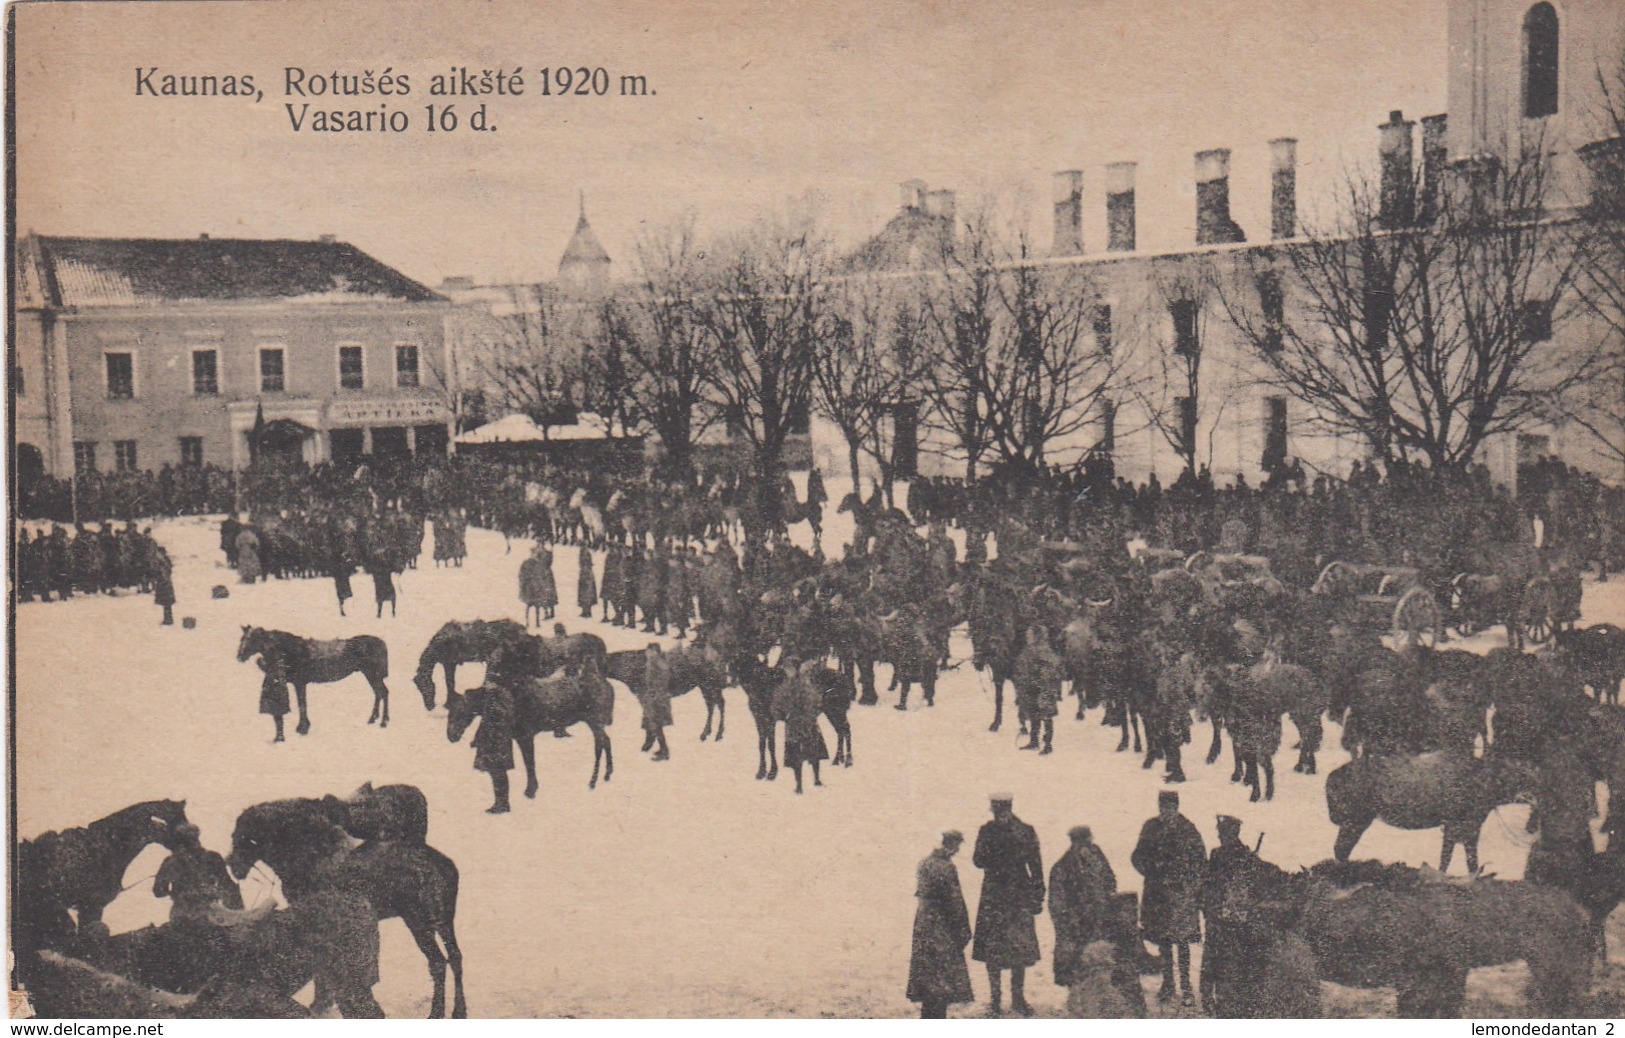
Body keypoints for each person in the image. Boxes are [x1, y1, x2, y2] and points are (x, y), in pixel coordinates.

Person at [1131, 790, 1206, 1006]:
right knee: (1163, 941)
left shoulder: (1188, 829)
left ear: (1177, 807)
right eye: (1163, 807)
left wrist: (1187, 879)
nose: (1166, 811)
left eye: (1170, 807)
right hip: (1158, 896)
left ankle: (1185, 985)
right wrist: (1151, 868)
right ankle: (1168, 984)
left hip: (1182, 896)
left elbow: (1200, 860)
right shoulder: (1150, 827)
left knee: (1182, 942)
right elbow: (1137, 856)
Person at [972, 793, 1043, 1016]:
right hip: (1004, 894)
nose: (996, 814)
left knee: (1014, 947)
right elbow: (978, 861)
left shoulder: (1020, 830)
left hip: (1008, 894)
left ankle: (1011, 998)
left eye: (997, 810)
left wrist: (1037, 894)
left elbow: (1036, 864)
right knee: (1001, 946)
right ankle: (1003, 998)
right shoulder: (996, 830)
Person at [907, 830, 974, 1019]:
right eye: (957, 845)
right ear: (952, 844)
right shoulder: (947, 867)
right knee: (942, 975)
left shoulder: (924, 863)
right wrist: (964, 930)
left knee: (927, 972)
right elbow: (955, 901)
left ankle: (928, 1016)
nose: (957, 850)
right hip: (942, 924)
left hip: (923, 922)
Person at [1199, 815, 1257, 1017]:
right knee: (1216, 963)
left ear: (1232, 834)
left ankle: (1223, 1007)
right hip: (1220, 918)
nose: (1219, 836)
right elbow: (1208, 884)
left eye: (1222, 833)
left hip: (1232, 921)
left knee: (1225, 965)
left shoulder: (1244, 857)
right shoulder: (1221, 854)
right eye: (1219, 833)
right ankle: (1211, 1000)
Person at [1048, 825, 1118, 989]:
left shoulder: (1097, 855)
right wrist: (1069, 922)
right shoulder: (1061, 867)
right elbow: (1056, 905)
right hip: (1075, 925)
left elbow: (1111, 880)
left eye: (1088, 842)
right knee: (1077, 968)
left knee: (1102, 962)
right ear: (1074, 843)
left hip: (1098, 919)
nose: (1087, 847)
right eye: (1083, 843)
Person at [153, 823, 242, 928]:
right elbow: (227, 886)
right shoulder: (212, 857)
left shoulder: (171, 861)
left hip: (181, 915)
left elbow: (158, 892)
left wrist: (174, 890)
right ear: (197, 837)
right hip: (209, 913)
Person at [640, 642, 674, 761]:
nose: (647, 653)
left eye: (649, 651)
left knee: (657, 725)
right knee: (653, 724)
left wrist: (656, 693)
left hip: (658, 698)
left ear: (654, 651)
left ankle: (664, 751)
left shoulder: (658, 663)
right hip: (654, 697)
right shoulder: (654, 662)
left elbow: (663, 679)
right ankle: (658, 747)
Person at [519, 543, 557, 627]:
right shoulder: (529, 563)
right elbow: (522, 574)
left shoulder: (538, 562)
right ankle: (529, 621)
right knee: (531, 605)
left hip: (535, 587)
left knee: (537, 604)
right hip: (531, 587)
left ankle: (537, 621)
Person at [151, 546, 176, 626]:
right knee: (166, 603)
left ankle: (168, 620)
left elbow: (163, 573)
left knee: (166, 602)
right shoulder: (165, 561)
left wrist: (162, 581)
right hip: (166, 583)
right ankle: (168, 619)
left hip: (164, 583)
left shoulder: (162, 563)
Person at [577, 543, 598, 619]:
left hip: (586, 575)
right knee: (585, 593)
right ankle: (585, 611)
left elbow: (586, 563)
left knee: (587, 593)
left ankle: (587, 611)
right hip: (585, 574)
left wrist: (584, 569)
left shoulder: (585, 553)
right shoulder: (583, 552)